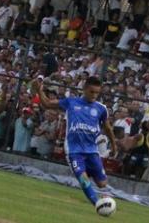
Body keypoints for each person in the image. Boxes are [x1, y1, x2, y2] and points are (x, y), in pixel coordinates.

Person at [34, 76, 117, 208]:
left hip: (92, 151)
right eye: (91, 92)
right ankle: (98, 204)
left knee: (102, 184)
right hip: (74, 150)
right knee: (83, 180)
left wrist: (113, 145)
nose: (94, 95)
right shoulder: (71, 102)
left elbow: (107, 128)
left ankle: (87, 173)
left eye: (97, 92)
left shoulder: (101, 109)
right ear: (84, 89)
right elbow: (47, 104)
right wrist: (39, 90)